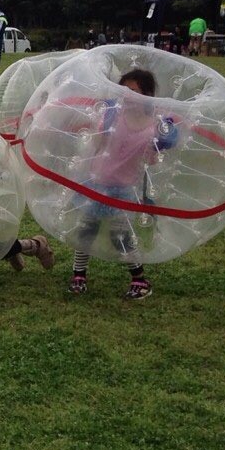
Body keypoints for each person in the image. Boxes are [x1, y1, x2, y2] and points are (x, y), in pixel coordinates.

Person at [67, 70, 179, 300]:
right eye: (124, 90)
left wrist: (160, 145)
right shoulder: (112, 117)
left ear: (147, 95)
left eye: (133, 91)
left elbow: (152, 159)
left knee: (121, 236)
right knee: (86, 230)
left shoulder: (153, 129)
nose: (127, 96)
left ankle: (139, 278)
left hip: (123, 188)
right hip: (97, 182)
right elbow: (97, 144)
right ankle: (79, 275)